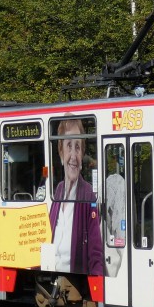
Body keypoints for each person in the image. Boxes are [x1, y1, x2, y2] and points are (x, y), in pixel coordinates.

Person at [47, 118, 104, 276]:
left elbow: (95, 251)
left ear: (82, 154)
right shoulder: (57, 191)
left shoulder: (88, 195)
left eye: (77, 147)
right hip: (53, 272)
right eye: (68, 146)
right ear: (61, 152)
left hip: (73, 275)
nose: (73, 155)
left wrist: (99, 282)